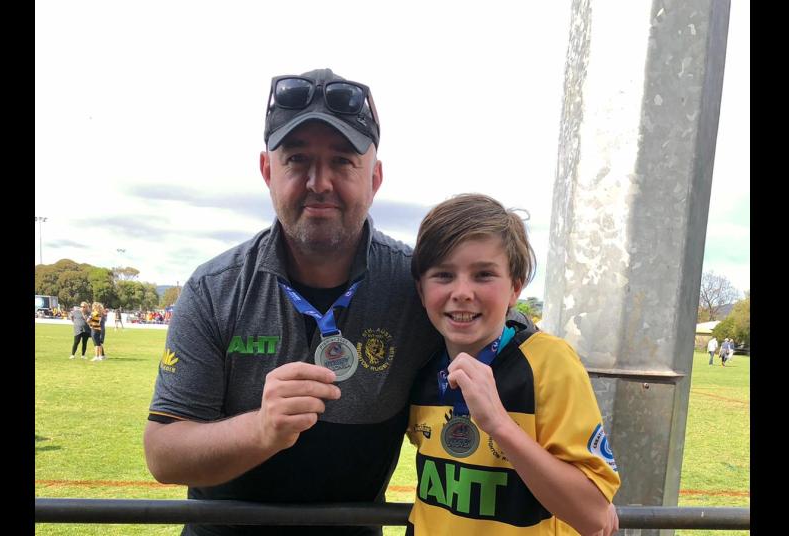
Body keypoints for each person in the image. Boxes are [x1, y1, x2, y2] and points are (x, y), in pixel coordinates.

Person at [143, 68, 442, 536]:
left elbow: (504, 351)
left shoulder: (418, 288)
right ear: (267, 171)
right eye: (297, 159)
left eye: (343, 161)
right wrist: (261, 429)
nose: (319, 182)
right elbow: (164, 455)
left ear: (375, 178)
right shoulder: (214, 288)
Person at [407, 194, 620, 536]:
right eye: (444, 275)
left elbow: (592, 514)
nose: (462, 292)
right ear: (420, 290)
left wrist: (500, 425)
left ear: (515, 288)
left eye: (483, 275)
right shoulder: (419, 362)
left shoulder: (550, 362)